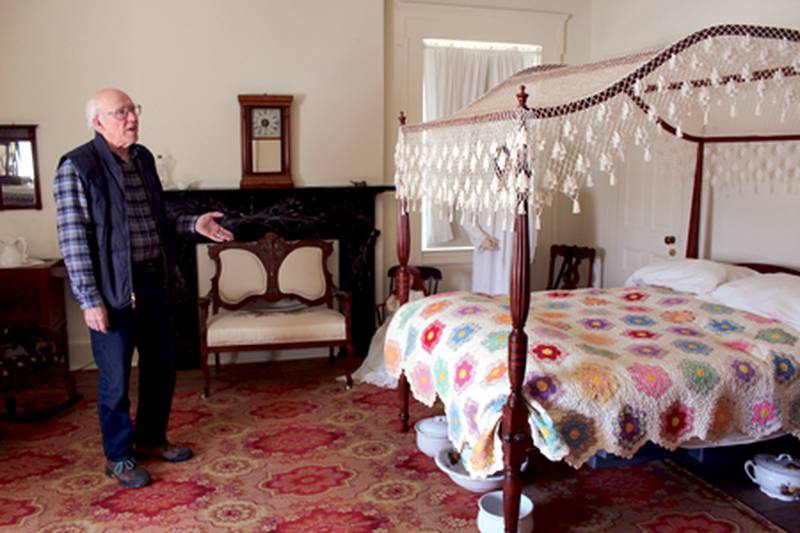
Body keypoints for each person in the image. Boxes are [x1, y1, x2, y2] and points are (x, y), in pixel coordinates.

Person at [53, 88, 234, 488]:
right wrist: (89, 299)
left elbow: (157, 219)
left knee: (161, 367)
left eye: (133, 110)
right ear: (98, 122)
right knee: (115, 378)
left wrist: (194, 224)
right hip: (111, 289)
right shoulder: (77, 166)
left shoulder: (143, 158)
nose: (132, 118)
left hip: (152, 280)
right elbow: (73, 240)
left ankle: (151, 438)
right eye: (120, 112)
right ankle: (119, 457)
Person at [463, 211, 537, 295]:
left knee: (510, 291)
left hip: (512, 249)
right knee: (484, 292)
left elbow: (531, 223)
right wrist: (481, 238)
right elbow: (466, 220)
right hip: (486, 254)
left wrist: (529, 253)